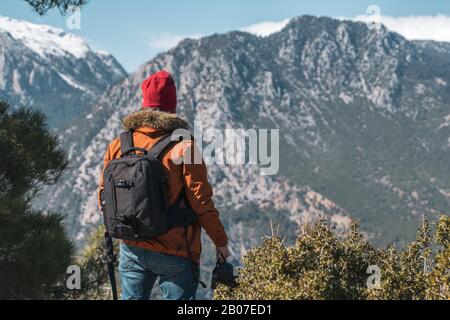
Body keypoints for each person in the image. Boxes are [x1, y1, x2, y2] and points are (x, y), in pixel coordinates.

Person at [98, 70, 230, 300]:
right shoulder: (184, 146)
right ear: (172, 105)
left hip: (132, 246)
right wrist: (221, 242)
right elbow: (201, 202)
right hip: (176, 251)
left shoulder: (119, 144)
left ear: (144, 104)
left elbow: (103, 196)